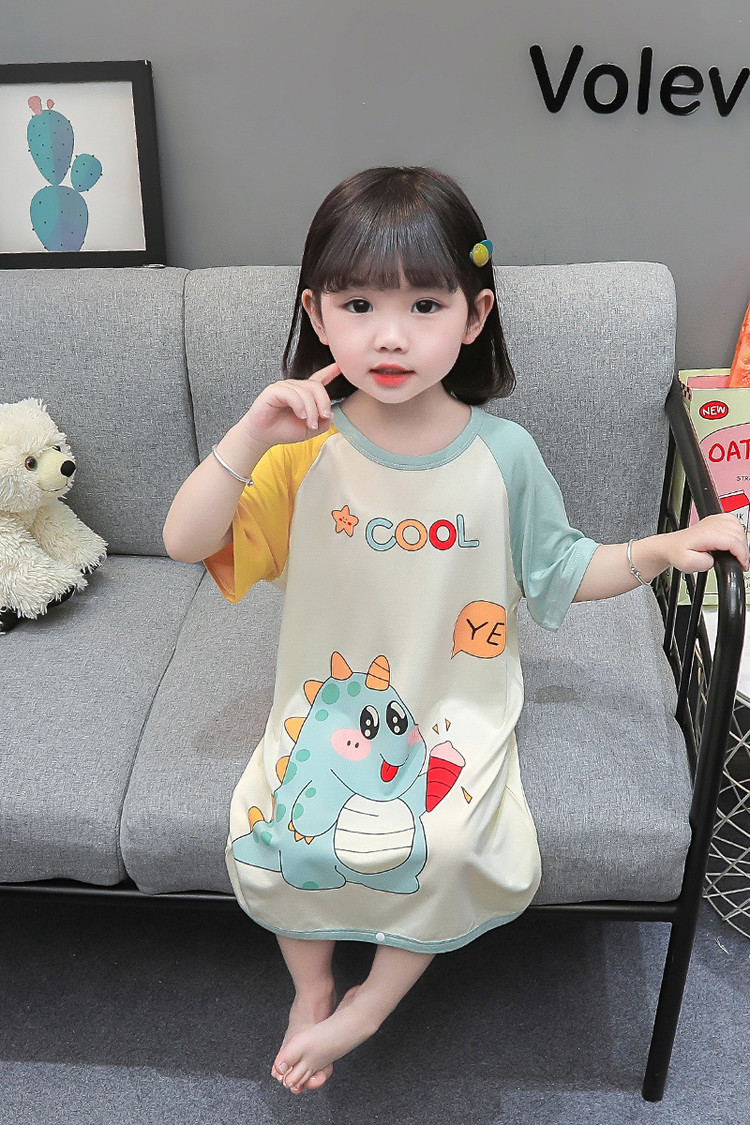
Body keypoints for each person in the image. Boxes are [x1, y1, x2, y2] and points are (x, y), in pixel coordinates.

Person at [163, 166, 749, 1094]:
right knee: (276, 831)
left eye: (425, 304)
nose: (391, 335)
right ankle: (312, 989)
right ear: (317, 314)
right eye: (359, 304)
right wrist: (248, 436)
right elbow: (184, 539)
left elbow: (564, 568)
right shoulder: (301, 452)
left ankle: (372, 1003)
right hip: (330, 711)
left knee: (447, 844)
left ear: (475, 317)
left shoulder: (504, 456)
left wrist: (666, 546)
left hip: (451, 709)